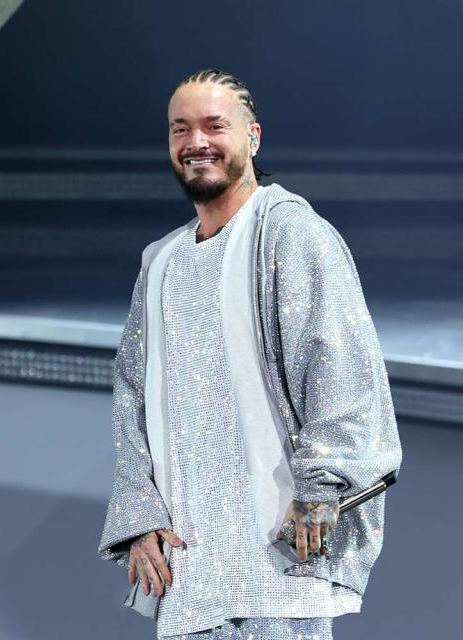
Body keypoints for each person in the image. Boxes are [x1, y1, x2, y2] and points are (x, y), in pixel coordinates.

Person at [98, 69, 401, 640]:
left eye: (215, 125)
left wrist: (322, 491)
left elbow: (340, 368)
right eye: (180, 129)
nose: (197, 142)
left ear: (253, 137)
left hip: (278, 566)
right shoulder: (160, 261)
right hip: (188, 575)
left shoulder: (292, 234)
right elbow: (131, 395)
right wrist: (141, 516)